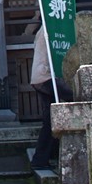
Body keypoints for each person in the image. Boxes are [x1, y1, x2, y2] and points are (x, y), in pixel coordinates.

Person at [28, 18, 62, 170]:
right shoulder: (50, 29)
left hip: (41, 76)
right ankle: (41, 158)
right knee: (51, 119)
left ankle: (50, 154)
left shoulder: (43, 29)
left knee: (50, 118)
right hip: (47, 76)